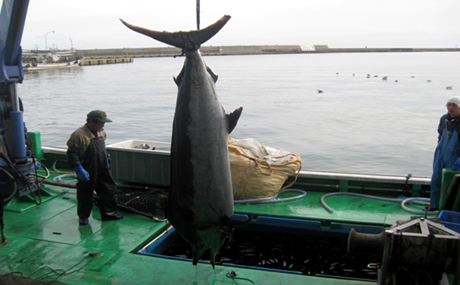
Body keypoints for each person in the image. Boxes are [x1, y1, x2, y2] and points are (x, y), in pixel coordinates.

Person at [66, 110, 123, 225]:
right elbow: (72, 155)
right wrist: (79, 169)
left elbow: (103, 147)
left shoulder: (101, 132)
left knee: (109, 190)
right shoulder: (78, 135)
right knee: (85, 193)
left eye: (104, 123)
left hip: (102, 167)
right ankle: (83, 216)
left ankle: (109, 214)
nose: (102, 126)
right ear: (91, 122)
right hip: (88, 168)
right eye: (100, 123)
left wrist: (106, 161)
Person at [430, 96, 460, 210]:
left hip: (455, 156)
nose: (450, 108)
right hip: (441, 154)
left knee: (451, 181)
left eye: (454, 105)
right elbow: (440, 135)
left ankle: (448, 209)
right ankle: (434, 206)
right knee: (437, 178)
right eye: (449, 105)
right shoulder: (444, 119)